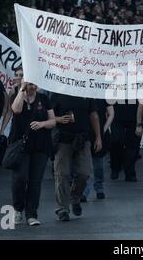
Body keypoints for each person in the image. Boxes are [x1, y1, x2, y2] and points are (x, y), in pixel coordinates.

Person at [10, 80, 56, 226]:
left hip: (41, 145)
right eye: (29, 84)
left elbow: (53, 121)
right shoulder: (17, 95)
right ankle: (18, 208)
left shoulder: (44, 98)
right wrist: (21, 90)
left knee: (35, 181)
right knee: (20, 178)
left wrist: (42, 124)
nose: (32, 87)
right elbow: (16, 110)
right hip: (21, 145)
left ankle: (32, 214)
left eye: (35, 84)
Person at [50, 93, 102, 221]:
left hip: (82, 138)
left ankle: (75, 197)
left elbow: (93, 115)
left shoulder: (85, 91)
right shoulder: (57, 93)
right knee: (62, 174)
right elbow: (48, 115)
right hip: (62, 138)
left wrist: (98, 137)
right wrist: (58, 119)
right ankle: (62, 208)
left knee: (85, 173)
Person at [110, 100, 141, 182]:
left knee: (132, 146)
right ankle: (115, 167)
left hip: (133, 115)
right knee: (116, 141)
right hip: (117, 115)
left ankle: (129, 172)